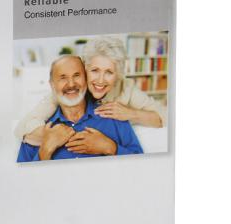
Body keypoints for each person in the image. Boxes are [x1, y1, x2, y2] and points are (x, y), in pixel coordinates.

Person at [14, 36, 165, 146]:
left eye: (109, 72)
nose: (100, 80)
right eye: (94, 70)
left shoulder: (126, 87)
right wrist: (52, 136)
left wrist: (131, 114)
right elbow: (22, 127)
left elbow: (163, 117)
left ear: (117, 74)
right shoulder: (71, 91)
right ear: (85, 69)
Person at [16, 55, 143, 162]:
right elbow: (22, 180)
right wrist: (45, 150)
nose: (71, 84)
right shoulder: (37, 133)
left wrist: (110, 147)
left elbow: (141, 166)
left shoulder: (114, 117)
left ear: (86, 79)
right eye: (63, 77)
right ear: (52, 85)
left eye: (77, 75)